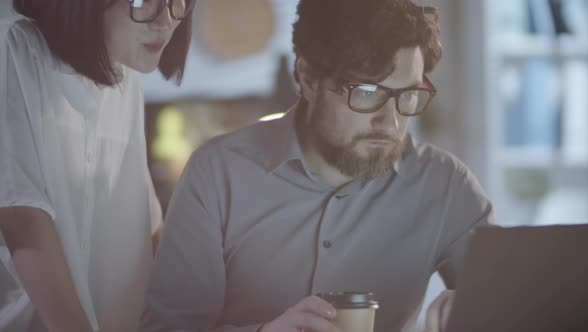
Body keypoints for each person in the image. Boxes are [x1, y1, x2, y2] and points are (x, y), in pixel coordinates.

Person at [141, 0, 495, 331]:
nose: (391, 124)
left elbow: (513, 310)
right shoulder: (217, 174)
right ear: (307, 77)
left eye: (408, 95)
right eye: (367, 93)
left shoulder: (445, 185)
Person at [0, 0, 194, 331]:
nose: (165, 22)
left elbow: (146, 224)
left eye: (176, 1)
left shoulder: (124, 72)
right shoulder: (16, 45)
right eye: (142, 1)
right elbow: (22, 217)